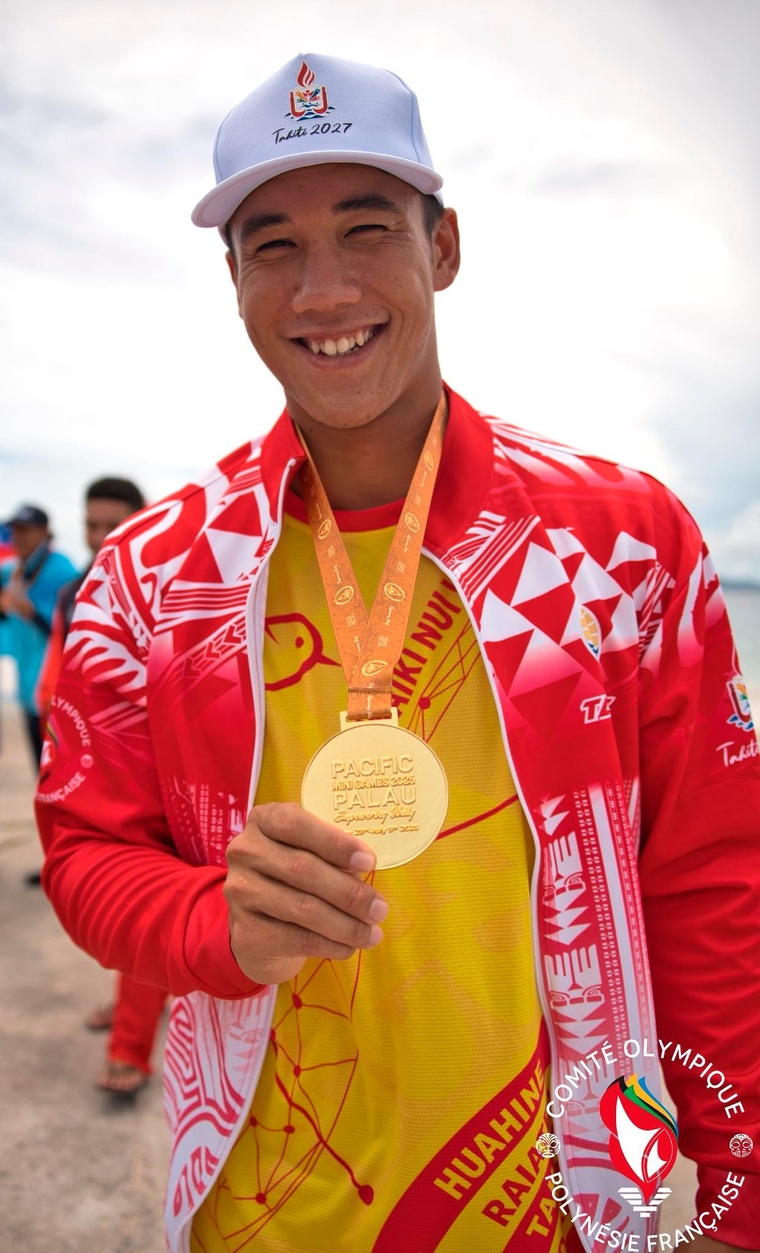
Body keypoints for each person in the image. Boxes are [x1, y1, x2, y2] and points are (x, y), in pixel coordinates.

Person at [36, 54, 759, 1253]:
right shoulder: (156, 572)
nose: (323, 290)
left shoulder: (620, 541)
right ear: (232, 280)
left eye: (366, 229)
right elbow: (87, 848)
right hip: (256, 1205)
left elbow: (709, 874)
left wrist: (737, 1183)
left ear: (446, 247)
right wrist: (212, 920)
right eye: (272, 246)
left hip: (571, 1200)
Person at [37, 476, 167, 1097]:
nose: (99, 537)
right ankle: (130, 1008)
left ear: (141, 522)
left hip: (151, 766)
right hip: (77, 756)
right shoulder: (71, 591)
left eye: (111, 524)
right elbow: (55, 670)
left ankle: (130, 1050)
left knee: (145, 902)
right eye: (90, 525)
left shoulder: (162, 586)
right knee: (101, 901)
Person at [0, 504, 76, 765]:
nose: (19, 536)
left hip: (53, 688)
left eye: (26, 530)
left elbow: (72, 631)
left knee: (56, 768)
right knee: (39, 767)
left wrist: (30, 612)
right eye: (15, 530)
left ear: (44, 532)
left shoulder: (62, 571)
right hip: (25, 684)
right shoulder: (12, 570)